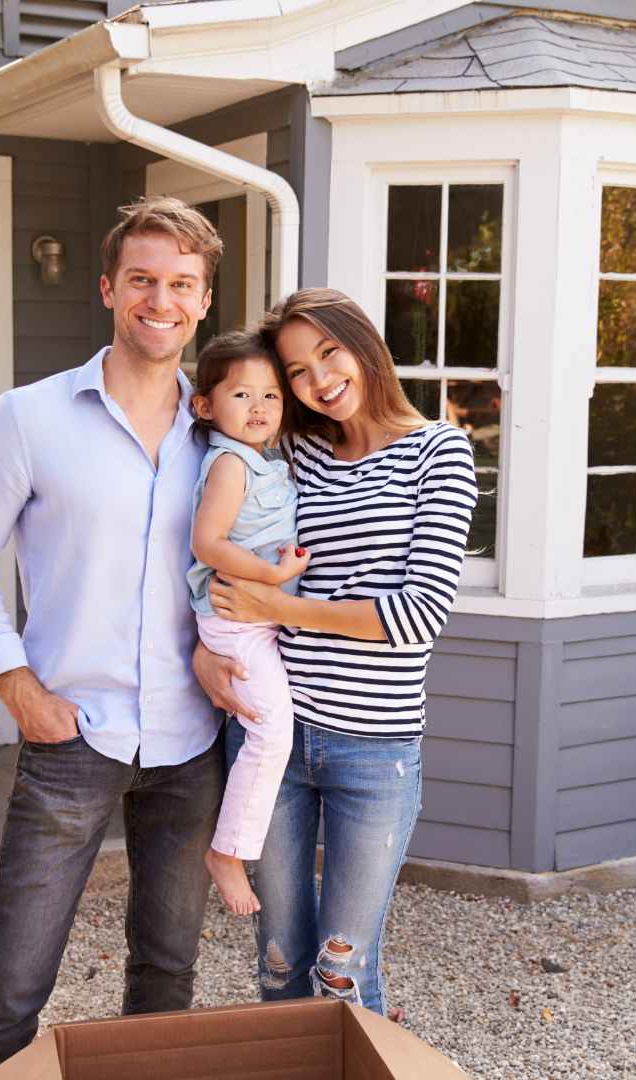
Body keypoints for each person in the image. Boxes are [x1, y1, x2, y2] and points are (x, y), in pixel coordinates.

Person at [0, 196, 230, 1080]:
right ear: (109, 288)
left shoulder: (223, 431)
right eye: (143, 279)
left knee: (168, 972)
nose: (161, 299)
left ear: (205, 301)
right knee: (14, 984)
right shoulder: (30, 417)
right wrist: (13, 682)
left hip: (192, 739)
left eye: (182, 283)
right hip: (72, 735)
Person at [198, 288, 478, 1016]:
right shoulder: (294, 452)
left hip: (375, 751)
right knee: (278, 960)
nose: (318, 380)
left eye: (328, 353)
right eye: (296, 371)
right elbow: (209, 529)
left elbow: (418, 615)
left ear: (364, 343)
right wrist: (204, 655)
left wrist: (279, 606)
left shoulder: (439, 452)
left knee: (341, 970)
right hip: (273, 735)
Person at [186, 329, 307, 916]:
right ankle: (228, 852)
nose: (259, 408)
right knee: (270, 731)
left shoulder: (266, 460)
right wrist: (272, 577)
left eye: (271, 396)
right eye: (241, 396)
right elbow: (207, 542)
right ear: (205, 406)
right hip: (237, 619)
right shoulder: (231, 464)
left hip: (254, 618)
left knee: (266, 727)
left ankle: (234, 846)